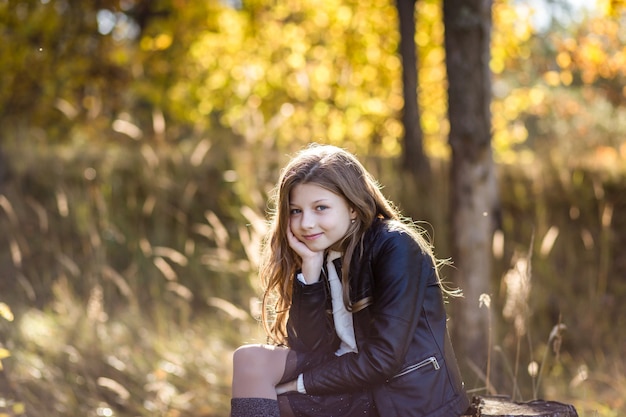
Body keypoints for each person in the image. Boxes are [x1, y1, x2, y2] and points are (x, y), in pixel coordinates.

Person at [230, 144, 469, 417]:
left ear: (353, 207)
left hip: (397, 396)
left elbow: (383, 360)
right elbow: (310, 347)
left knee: (281, 403)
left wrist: (299, 385)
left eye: (320, 207)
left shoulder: (396, 246)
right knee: (248, 359)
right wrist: (310, 270)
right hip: (350, 378)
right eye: (296, 210)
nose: (306, 223)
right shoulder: (320, 249)